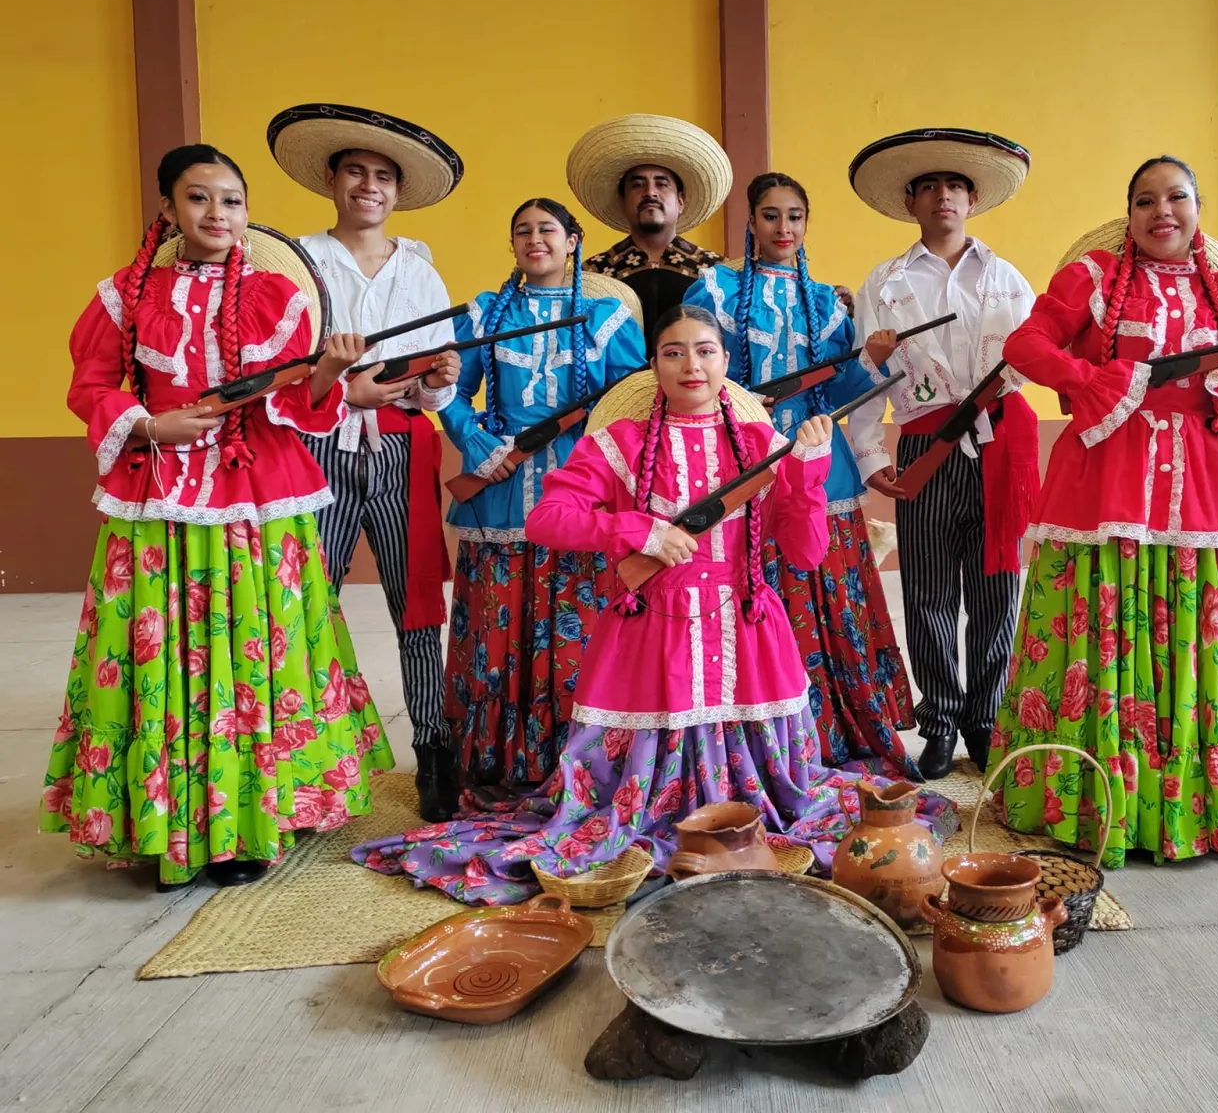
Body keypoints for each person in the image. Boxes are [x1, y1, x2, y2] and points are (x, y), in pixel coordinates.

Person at [354, 306, 957, 905]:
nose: (691, 364)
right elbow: (546, 519)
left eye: (705, 350)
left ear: (725, 361)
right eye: (674, 352)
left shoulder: (761, 443)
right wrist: (641, 534)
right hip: (651, 631)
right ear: (655, 365)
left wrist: (808, 469)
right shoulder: (619, 442)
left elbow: (803, 552)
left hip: (747, 630)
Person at [41, 144, 393, 890]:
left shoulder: (279, 296)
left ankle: (250, 824)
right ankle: (161, 820)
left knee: (257, 651)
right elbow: (91, 384)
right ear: (167, 209)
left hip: (258, 495)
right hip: (155, 494)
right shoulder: (124, 296)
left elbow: (296, 404)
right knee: (158, 651)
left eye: (232, 200)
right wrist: (146, 423)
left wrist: (330, 370)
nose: (218, 215)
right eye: (198, 199)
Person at [991, 156, 1218, 867]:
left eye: (1176, 197)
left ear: (1197, 206)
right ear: (1129, 213)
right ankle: (1094, 797)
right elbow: (1027, 343)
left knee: (1202, 628)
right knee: (1096, 623)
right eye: (1145, 200)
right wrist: (1093, 379)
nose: (1161, 211)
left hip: (1201, 480)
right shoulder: (1094, 280)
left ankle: (1200, 808)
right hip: (1102, 478)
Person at [682, 173, 918, 778]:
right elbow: (701, 366)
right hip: (744, 460)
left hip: (822, 459)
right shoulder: (715, 287)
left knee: (827, 591)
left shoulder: (826, 302)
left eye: (794, 217)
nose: (782, 229)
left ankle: (832, 727)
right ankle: (750, 733)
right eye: (769, 216)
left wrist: (871, 359)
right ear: (750, 223)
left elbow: (843, 387)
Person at [267, 103, 465, 822]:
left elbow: (444, 377)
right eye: (356, 171)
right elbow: (284, 369)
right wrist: (340, 385)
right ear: (332, 178)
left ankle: (433, 750)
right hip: (317, 445)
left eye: (384, 176)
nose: (370, 186)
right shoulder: (299, 261)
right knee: (307, 603)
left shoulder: (421, 269)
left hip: (404, 442)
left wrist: (438, 375)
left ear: (398, 190)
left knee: (416, 608)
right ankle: (303, 750)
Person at [845, 128, 1040, 780]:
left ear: (973, 198)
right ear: (911, 202)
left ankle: (986, 719)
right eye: (929, 187)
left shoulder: (1007, 279)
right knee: (926, 588)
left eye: (954, 186)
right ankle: (939, 722)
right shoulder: (886, 281)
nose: (943, 197)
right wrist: (873, 454)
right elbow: (870, 376)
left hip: (1000, 441)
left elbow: (1035, 360)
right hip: (925, 440)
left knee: (997, 588)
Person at [441, 197, 645, 794]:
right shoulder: (484, 313)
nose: (535, 239)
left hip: (580, 491)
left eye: (547, 229)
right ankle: (495, 762)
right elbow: (450, 391)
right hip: (500, 490)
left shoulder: (606, 317)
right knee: (494, 620)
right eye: (522, 230)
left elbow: (627, 406)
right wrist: (478, 444)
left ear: (573, 240)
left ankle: (579, 761)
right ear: (512, 245)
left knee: (578, 619)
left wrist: (592, 462)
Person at [568, 113, 730, 341]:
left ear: (681, 201)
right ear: (622, 201)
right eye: (637, 185)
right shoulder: (593, 274)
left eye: (662, 184)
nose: (650, 192)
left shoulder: (715, 272)